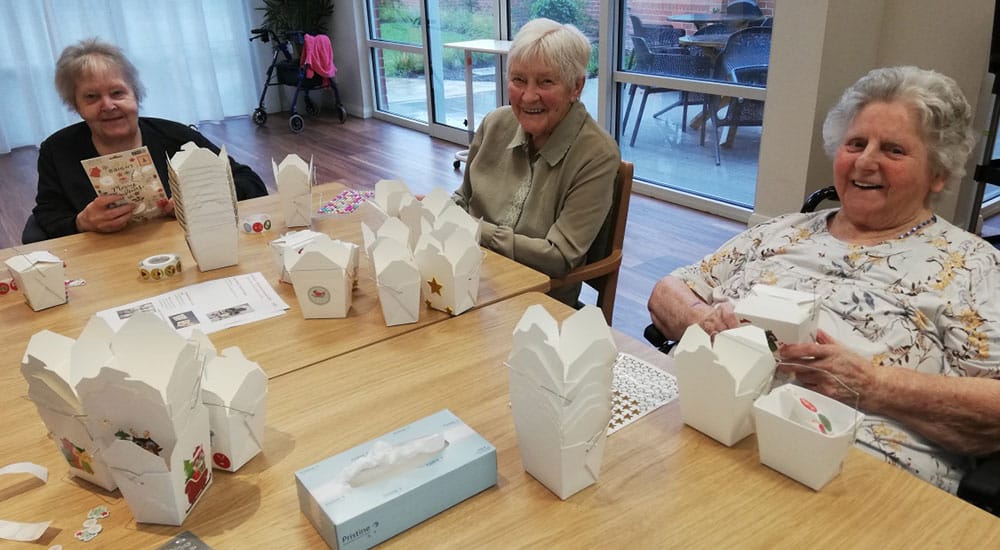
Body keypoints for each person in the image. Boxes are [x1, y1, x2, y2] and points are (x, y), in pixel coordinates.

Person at [647, 66, 1000, 493]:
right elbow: (668, 290)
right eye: (856, 143)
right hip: (715, 424)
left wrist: (874, 384)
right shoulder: (784, 231)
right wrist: (704, 321)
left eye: (893, 150)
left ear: (938, 172)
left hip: (847, 470)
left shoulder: (972, 264)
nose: (866, 161)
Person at [452, 18, 620, 306]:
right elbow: (463, 198)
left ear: (576, 86)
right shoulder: (495, 124)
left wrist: (473, 229)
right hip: (469, 278)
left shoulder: (597, 154)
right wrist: (439, 212)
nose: (528, 96)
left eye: (546, 81)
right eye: (518, 80)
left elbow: (558, 257)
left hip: (539, 304)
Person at [31, 38, 267, 240]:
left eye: (117, 93)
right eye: (91, 97)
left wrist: (205, 198)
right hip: (102, 265)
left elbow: (250, 182)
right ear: (75, 105)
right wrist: (81, 222)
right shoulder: (57, 150)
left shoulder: (178, 138)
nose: (108, 105)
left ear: (135, 94)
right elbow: (47, 215)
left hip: (183, 251)